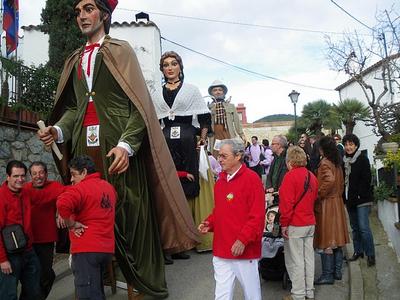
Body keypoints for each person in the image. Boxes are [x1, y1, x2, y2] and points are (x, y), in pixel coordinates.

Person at [37, 1, 199, 297]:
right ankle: (93, 276)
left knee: (128, 209)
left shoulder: (121, 50)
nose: (82, 16)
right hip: (85, 144)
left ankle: (140, 280)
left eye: (88, 9)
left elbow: (138, 106)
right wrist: (58, 129)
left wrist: (127, 145)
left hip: (119, 144)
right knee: (87, 208)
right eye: (77, 12)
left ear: (104, 14)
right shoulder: (74, 58)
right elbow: (75, 107)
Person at [151, 51, 213, 255]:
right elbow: (153, 120)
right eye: (166, 65)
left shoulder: (191, 90)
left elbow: (205, 118)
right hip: (166, 143)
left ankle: (192, 235)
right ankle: (175, 238)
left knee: (190, 186)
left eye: (174, 63)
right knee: (170, 186)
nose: (170, 67)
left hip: (188, 141)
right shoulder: (156, 92)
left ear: (180, 67)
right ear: (162, 70)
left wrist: (202, 139)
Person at [198, 139, 265, 300]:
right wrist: (209, 222)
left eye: (224, 156)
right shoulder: (220, 181)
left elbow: (257, 216)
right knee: (221, 294)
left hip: (243, 250)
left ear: (238, 156)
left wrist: (242, 240)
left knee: (252, 294)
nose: (219, 159)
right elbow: (220, 211)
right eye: (219, 155)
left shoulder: (252, 179)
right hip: (222, 248)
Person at [57, 155, 117, 300]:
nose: (71, 179)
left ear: (84, 172)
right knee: (96, 291)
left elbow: (62, 204)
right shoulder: (109, 187)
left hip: (86, 249)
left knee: (87, 295)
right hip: (106, 249)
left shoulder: (80, 188)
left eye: (73, 175)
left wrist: (72, 224)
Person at [279, 146, 318, 300]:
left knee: (295, 260)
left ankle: (298, 294)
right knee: (308, 258)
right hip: (310, 222)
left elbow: (286, 205)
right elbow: (314, 198)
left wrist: (284, 224)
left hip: (296, 223)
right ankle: (309, 291)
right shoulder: (311, 176)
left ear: (290, 161)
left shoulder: (290, 177)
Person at [0, 160, 41, 300]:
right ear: (8, 177)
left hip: (28, 251)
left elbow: (47, 195)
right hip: (9, 256)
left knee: (34, 292)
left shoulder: (26, 192)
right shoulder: (1, 198)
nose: (20, 179)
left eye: (23, 176)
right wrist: (2, 260)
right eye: (16, 176)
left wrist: (62, 209)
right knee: (8, 295)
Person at [25, 161, 65, 300]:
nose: (38, 176)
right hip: (28, 240)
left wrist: (61, 211)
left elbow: (68, 195)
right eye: (34, 173)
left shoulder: (55, 186)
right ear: (30, 176)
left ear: (46, 174)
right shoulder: (24, 189)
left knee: (47, 274)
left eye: (41, 172)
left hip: (46, 239)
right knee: (31, 275)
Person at [314, 136, 349, 285]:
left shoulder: (325, 163)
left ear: (322, 149)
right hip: (337, 202)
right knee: (338, 239)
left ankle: (328, 275)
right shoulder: (337, 162)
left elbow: (329, 180)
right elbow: (339, 182)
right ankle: (337, 272)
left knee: (327, 240)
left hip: (327, 203)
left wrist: (319, 194)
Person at [342, 134, 375, 266]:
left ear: (356, 145)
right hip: (350, 199)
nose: (348, 147)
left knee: (364, 228)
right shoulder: (344, 160)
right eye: (346, 145)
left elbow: (366, 179)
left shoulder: (362, 159)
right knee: (355, 228)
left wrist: (359, 195)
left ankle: (370, 254)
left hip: (362, 199)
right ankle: (358, 251)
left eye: (351, 144)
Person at [207, 80, 246, 157]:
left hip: (228, 135)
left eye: (220, 90)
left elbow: (237, 122)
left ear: (223, 92)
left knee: (230, 155)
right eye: (215, 90)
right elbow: (205, 124)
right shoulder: (208, 108)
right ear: (212, 93)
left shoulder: (231, 106)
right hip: (215, 137)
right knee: (216, 156)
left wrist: (241, 134)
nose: (218, 92)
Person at [266, 135, 288, 203]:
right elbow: (270, 175)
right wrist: (269, 186)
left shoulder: (288, 158)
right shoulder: (275, 158)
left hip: (284, 195)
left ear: (279, 145)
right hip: (274, 194)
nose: (271, 145)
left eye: (273, 144)